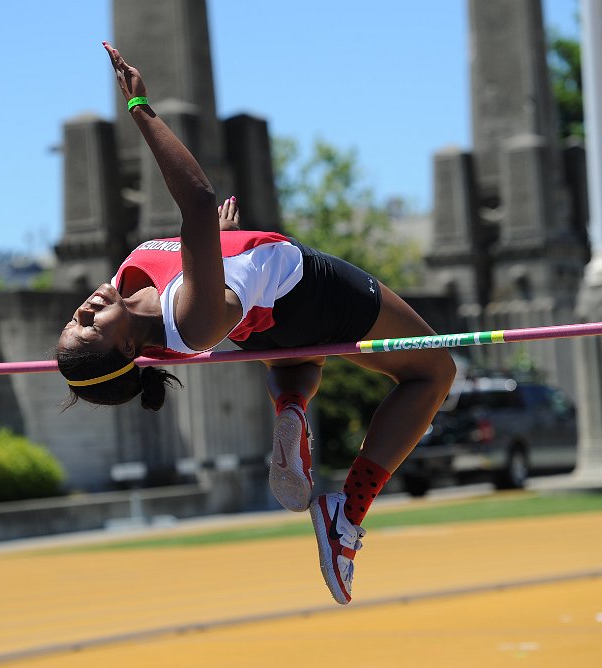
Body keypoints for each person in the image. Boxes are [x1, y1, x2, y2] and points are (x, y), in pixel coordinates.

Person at [56, 42, 456, 605]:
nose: (85, 309)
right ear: (126, 349)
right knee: (433, 370)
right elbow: (196, 199)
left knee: (296, 354)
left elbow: (201, 248)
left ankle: (291, 410)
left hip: (270, 323)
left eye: (75, 319)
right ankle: (348, 510)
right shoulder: (190, 324)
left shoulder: (142, 294)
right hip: (310, 290)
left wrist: (219, 244)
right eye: (90, 326)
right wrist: (140, 106)